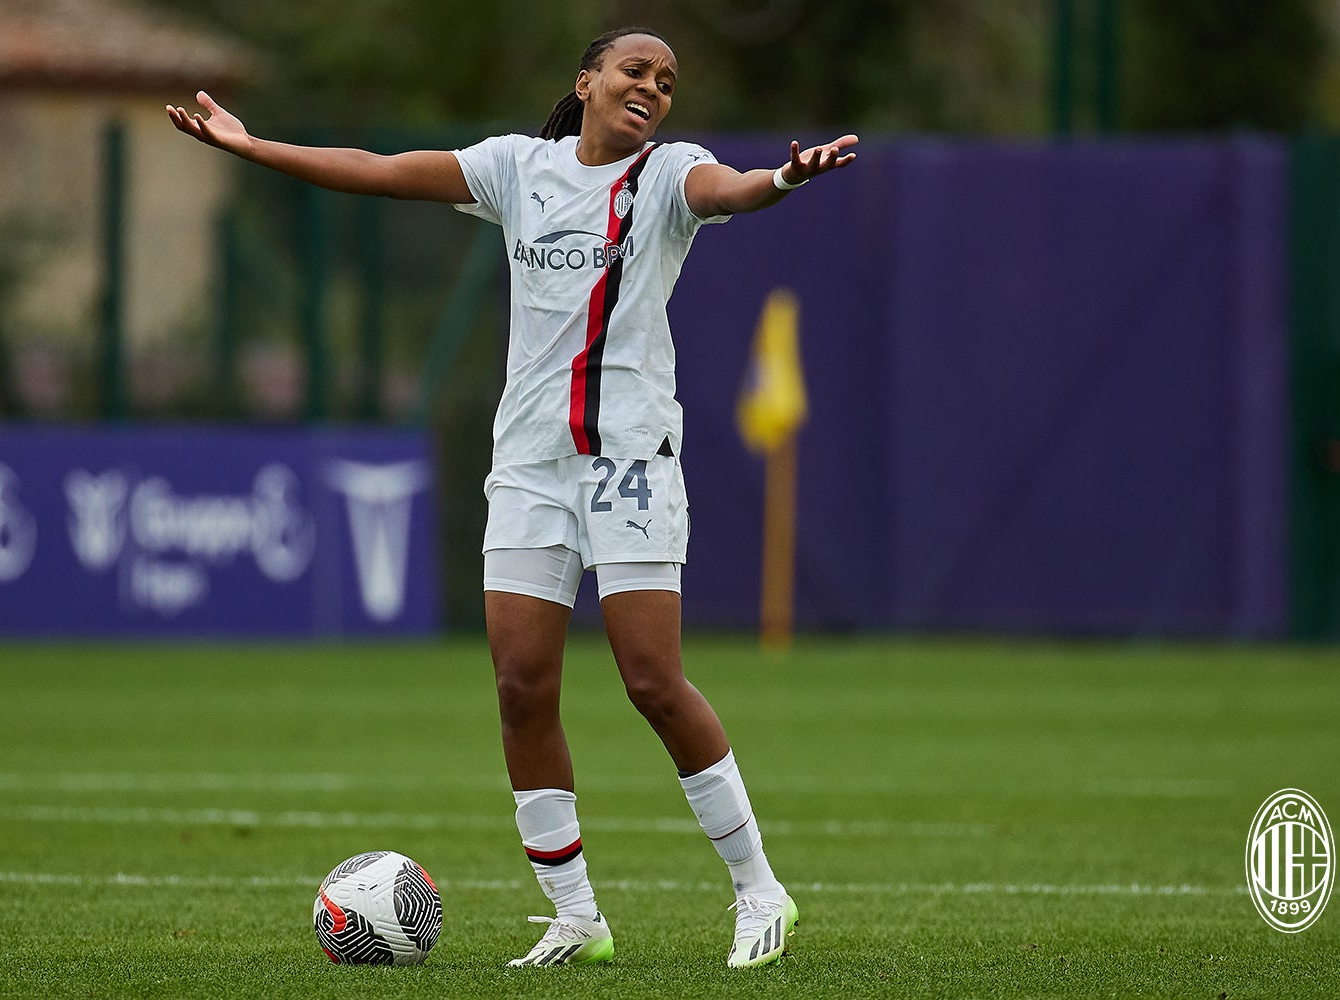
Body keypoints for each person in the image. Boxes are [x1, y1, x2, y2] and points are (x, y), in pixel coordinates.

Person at [168, 25, 856, 969]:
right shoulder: (514, 169)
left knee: (652, 680)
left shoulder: (666, 178)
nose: (651, 87)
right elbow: (377, 169)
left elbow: (728, 188)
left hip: (627, 459)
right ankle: (577, 916)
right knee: (521, 687)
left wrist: (781, 180)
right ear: (587, 82)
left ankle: (758, 889)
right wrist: (253, 147)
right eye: (633, 71)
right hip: (530, 466)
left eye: (666, 79)